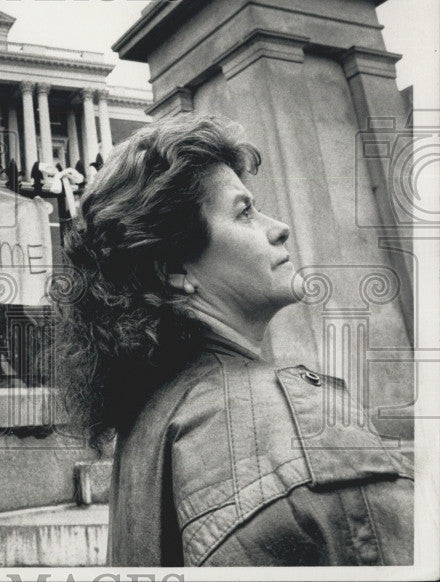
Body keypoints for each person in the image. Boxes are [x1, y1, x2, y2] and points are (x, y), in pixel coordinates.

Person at [56, 113, 413, 566]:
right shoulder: (308, 429)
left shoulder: (151, 418)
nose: (279, 226)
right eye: (244, 212)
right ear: (172, 269)